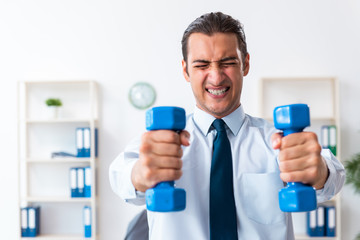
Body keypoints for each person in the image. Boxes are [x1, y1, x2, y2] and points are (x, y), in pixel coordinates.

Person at [109, 12, 345, 240]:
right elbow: (120, 175)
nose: (216, 77)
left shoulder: (279, 141)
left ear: (245, 64)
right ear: (185, 70)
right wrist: (140, 173)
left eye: (228, 62)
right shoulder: (158, 145)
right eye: (202, 65)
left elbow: (334, 177)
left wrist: (320, 171)